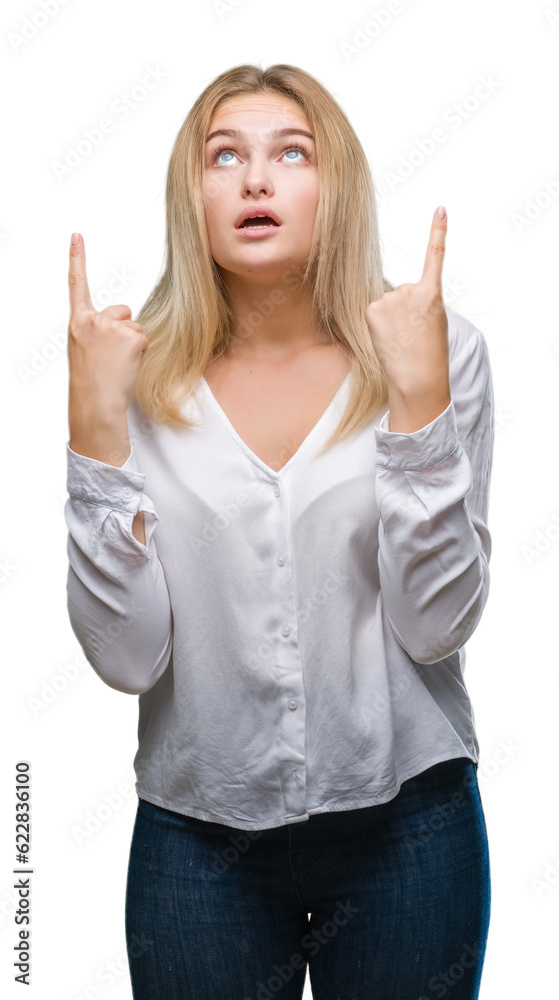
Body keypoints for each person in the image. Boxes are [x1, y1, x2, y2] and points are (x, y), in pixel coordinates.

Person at [64, 63, 494, 1000]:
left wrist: (419, 404)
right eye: (224, 156)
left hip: (409, 825)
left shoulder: (438, 348)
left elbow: (436, 626)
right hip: (196, 838)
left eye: (291, 154)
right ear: (191, 195)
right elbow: (127, 659)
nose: (255, 179)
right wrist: (94, 425)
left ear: (336, 185)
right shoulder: (128, 376)